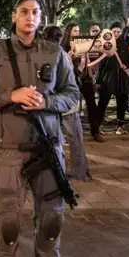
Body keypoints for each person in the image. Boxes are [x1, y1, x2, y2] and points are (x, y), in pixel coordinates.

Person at [0, 0, 80, 257]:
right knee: (8, 220)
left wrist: (47, 102)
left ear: (40, 17)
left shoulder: (54, 52)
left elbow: (72, 94)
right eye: (23, 12)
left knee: (51, 219)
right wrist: (12, 95)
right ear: (14, 16)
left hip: (48, 148)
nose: (29, 17)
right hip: (10, 149)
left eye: (34, 12)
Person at [45, 25, 91, 181]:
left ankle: (66, 172)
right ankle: (79, 171)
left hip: (55, 103)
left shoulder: (49, 55)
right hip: (65, 103)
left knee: (60, 139)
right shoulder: (62, 54)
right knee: (74, 138)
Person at [95, 26, 129, 135]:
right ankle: (97, 126)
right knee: (102, 103)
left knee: (122, 103)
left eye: (118, 31)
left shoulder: (125, 45)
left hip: (122, 78)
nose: (116, 33)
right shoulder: (104, 45)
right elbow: (100, 64)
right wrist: (98, 80)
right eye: (114, 31)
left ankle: (120, 126)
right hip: (107, 78)